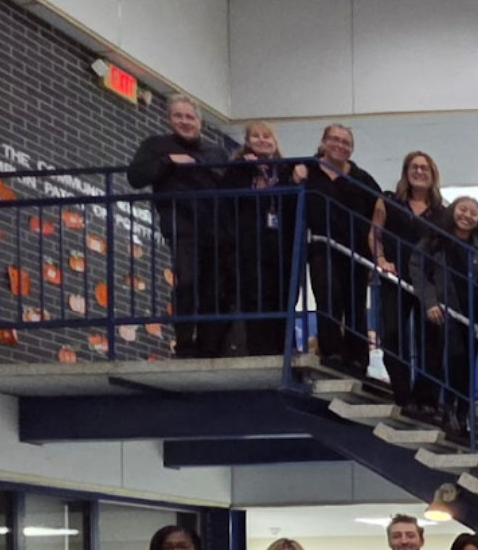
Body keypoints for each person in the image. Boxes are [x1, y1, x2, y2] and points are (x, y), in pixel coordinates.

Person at [127, 93, 234, 357]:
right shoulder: (156, 146)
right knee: (187, 281)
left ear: (200, 121)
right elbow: (136, 177)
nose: (185, 122)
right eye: (179, 116)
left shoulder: (216, 151)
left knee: (214, 287)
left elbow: (231, 185)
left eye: (190, 116)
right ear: (169, 119)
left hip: (216, 228)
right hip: (180, 224)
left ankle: (208, 346)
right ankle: (185, 344)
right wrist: (169, 163)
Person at [410, 194, 478, 438]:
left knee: (466, 367)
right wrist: (429, 302)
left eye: (473, 213)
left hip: (474, 317)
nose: (467, 216)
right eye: (463, 209)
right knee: (451, 361)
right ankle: (448, 409)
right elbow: (417, 270)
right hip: (445, 312)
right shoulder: (434, 241)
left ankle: (462, 413)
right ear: (453, 211)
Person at [300, 123, 383, 377]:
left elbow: (380, 206)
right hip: (321, 246)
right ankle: (332, 352)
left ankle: (358, 358)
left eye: (346, 142)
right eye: (335, 140)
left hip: (356, 252)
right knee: (328, 297)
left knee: (355, 304)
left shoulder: (362, 178)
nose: (340, 145)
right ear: (323, 142)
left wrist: (375, 247)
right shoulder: (308, 170)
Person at [375, 151, 449, 423]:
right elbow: (375, 234)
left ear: (433, 174)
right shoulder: (389, 202)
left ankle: (426, 400)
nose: (419, 171)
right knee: (393, 334)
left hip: (429, 286)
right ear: (406, 171)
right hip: (395, 277)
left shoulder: (443, 213)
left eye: (425, 167)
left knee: (431, 342)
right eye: (414, 167)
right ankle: (403, 394)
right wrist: (380, 259)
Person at [223, 120, 295, 356]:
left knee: (282, 295)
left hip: (280, 244)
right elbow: (226, 197)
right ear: (247, 142)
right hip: (250, 244)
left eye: (267, 136)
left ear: (275, 142)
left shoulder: (285, 170)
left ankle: (284, 348)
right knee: (255, 295)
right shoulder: (238, 169)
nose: (262, 140)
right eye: (256, 136)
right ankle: (259, 349)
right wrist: (245, 169)